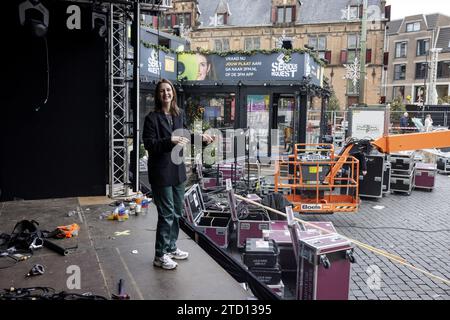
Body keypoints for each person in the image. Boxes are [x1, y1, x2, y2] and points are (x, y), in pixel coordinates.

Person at [142, 79, 213, 270]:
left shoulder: (178, 114)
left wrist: (202, 139)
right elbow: (150, 144)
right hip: (161, 173)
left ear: (173, 93)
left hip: (178, 171)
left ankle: (171, 247)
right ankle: (160, 255)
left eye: (168, 90)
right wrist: (169, 141)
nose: (166, 93)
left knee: (176, 213)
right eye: (162, 91)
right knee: (166, 214)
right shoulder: (151, 118)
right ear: (158, 95)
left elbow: (185, 135)